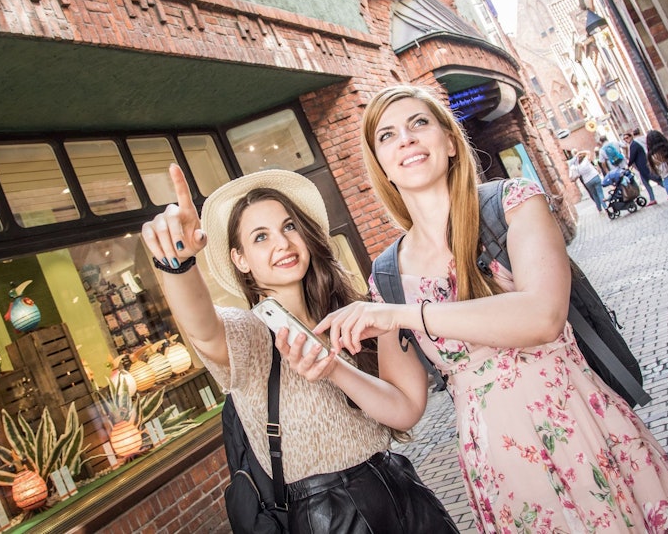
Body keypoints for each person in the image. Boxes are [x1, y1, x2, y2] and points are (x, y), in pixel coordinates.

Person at [316, 85, 668, 533]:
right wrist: (332, 368)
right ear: (380, 164)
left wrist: (406, 315)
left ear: (448, 142)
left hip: (581, 431)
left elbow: (542, 318)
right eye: (386, 135)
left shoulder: (514, 203)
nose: (404, 139)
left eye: (418, 123)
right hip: (502, 468)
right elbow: (406, 407)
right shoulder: (387, 275)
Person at [140, 166, 457, 533]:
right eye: (260, 237)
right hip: (330, 517)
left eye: (289, 227)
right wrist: (177, 263)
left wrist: (338, 364)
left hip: (402, 492)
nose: (282, 244)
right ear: (240, 259)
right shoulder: (253, 335)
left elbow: (405, 410)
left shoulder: (356, 315)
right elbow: (204, 328)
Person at [623, 130, 658, 205]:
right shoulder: (631, 145)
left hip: (644, 166)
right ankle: (652, 199)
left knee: (656, 179)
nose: (626, 140)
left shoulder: (634, 145)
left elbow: (632, 157)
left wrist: (628, 165)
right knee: (646, 183)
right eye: (624, 139)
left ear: (631, 137)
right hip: (641, 168)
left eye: (627, 137)